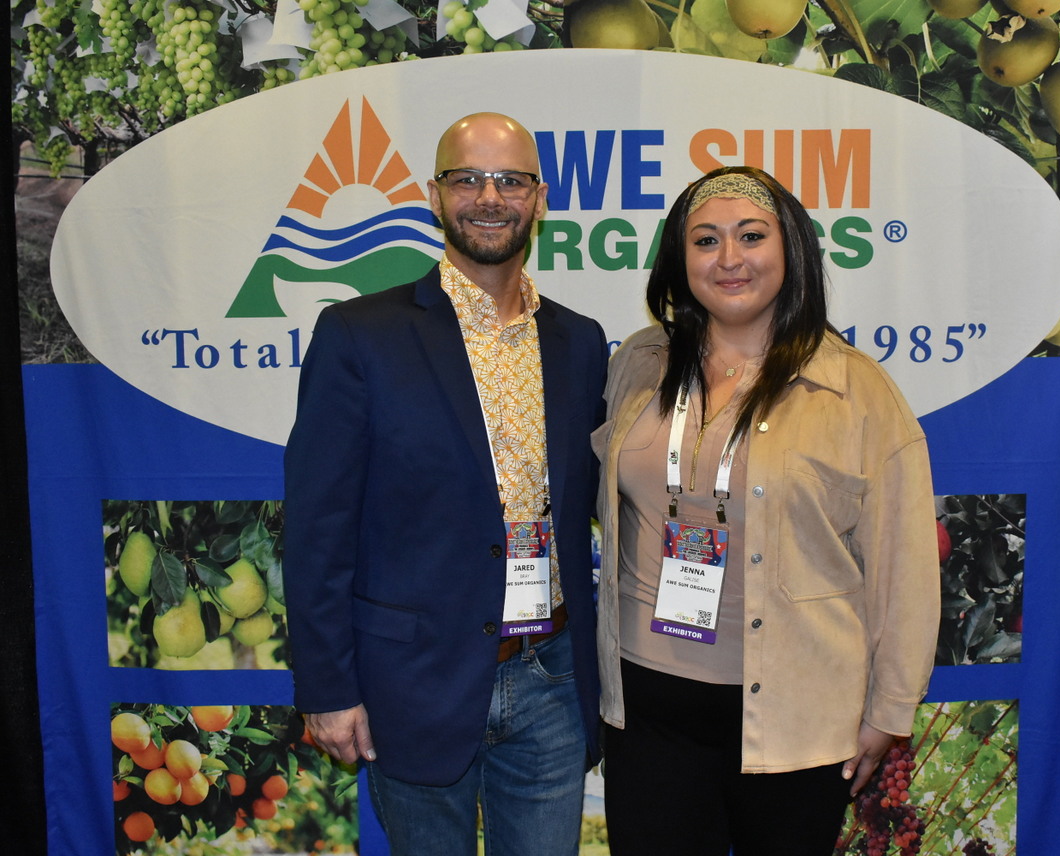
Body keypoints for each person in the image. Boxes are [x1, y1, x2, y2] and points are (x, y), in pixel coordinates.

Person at [283, 112, 607, 856]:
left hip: (552, 675)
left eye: (510, 180)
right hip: (414, 681)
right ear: (435, 195)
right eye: (468, 179)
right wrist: (328, 689)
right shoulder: (360, 335)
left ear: (539, 198)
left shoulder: (580, 341)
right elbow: (317, 529)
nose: (489, 197)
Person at [592, 166, 940, 855]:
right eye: (705, 240)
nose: (729, 258)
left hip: (795, 719)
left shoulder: (855, 390)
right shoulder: (639, 363)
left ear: (792, 250)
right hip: (646, 710)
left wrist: (891, 709)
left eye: (751, 236)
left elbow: (904, 562)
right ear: (679, 258)